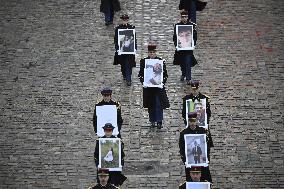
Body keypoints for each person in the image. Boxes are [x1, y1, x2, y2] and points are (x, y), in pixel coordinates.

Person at [138, 42, 170, 129]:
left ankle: (159, 121)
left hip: (158, 88)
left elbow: (165, 75)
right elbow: (141, 74)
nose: (152, 54)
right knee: (151, 105)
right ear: (148, 53)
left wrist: (162, 82)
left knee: (159, 104)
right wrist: (143, 82)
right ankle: (152, 120)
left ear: (155, 53)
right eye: (150, 52)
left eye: (153, 52)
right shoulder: (144, 62)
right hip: (148, 88)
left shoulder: (160, 61)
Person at [179, 112, 213, 182]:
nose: (192, 123)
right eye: (190, 121)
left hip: (201, 159)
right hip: (190, 160)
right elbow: (182, 148)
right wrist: (185, 160)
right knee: (191, 179)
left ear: (197, 120)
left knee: (204, 177)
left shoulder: (203, 131)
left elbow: (207, 146)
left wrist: (206, 158)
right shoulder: (183, 133)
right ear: (188, 121)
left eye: (194, 121)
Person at [173, 11, 198, 83]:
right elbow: (175, 37)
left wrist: (193, 44)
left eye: (185, 17)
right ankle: (183, 74)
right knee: (182, 63)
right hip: (180, 48)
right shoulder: (177, 26)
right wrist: (176, 45)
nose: (184, 18)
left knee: (188, 61)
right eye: (183, 17)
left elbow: (195, 36)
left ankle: (188, 78)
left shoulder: (192, 26)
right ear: (181, 17)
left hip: (188, 49)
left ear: (187, 17)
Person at [114, 14, 136, 86]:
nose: (125, 21)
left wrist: (135, 48)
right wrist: (117, 49)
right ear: (122, 20)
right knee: (123, 64)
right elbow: (116, 40)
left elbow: (134, 39)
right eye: (124, 20)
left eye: (126, 19)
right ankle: (125, 75)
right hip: (121, 51)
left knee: (129, 64)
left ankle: (128, 79)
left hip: (129, 51)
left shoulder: (131, 28)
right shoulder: (118, 28)